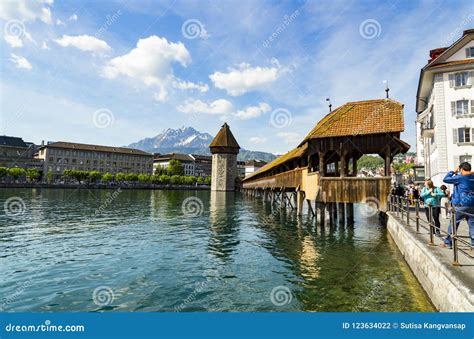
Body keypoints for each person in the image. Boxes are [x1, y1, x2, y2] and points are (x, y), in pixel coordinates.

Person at [442, 162, 474, 248]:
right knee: (472, 225)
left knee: (453, 223)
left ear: (462, 169)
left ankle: (448, 242)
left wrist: (453, 172)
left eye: (460, 170)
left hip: (461, 205)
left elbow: (446, 179)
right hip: (472, 205)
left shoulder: (460, 177)